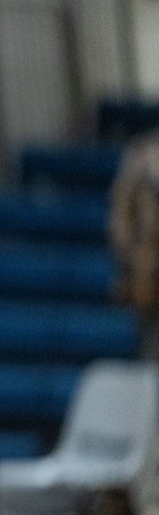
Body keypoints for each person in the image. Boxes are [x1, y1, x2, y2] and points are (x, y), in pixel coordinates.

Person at [109, 131, 159, 359]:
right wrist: (130, 258)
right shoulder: (141, 155)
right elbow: (120, 216)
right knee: (151, 346)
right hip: (147, 269)